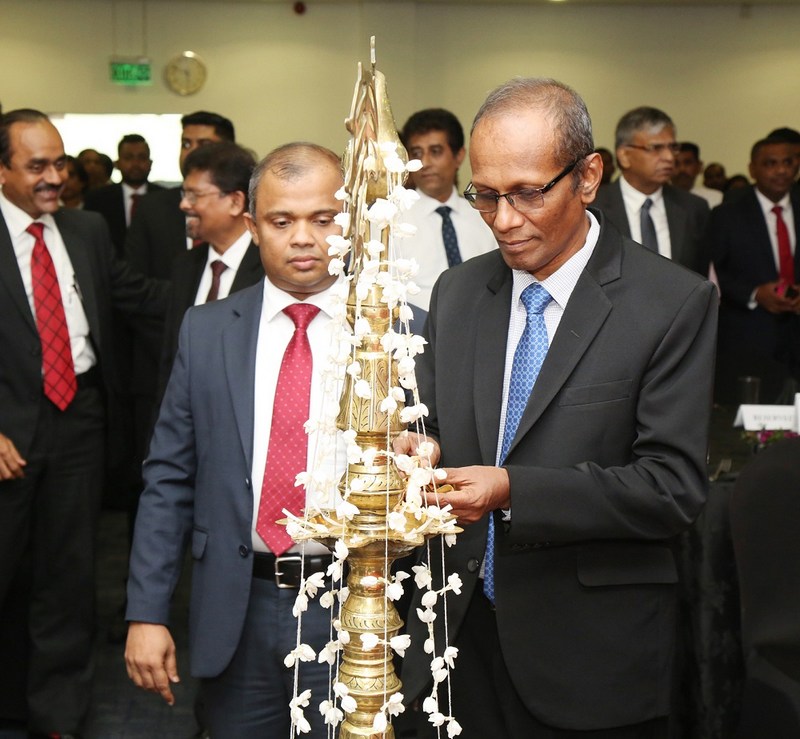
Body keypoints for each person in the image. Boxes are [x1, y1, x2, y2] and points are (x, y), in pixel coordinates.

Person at [396, 78, 717, 738]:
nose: (505, 219)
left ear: (589, 175)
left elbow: (671, 487)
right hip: (460, 641)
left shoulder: (668, 303)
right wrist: (415, 445)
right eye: (485, 195)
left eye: (528, 193)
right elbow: (432, 423)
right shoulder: (459, 293)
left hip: (589, 655)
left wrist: (513, 488)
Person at [125, 142, 346, 738]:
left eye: (323, 219)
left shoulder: (402, 331)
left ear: (350, 220)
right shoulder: (208, 330)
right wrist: (146, 612)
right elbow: (168, 476)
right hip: (237, 602)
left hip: (355, 607)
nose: (304, 237)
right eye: (281, 221)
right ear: (252, 225)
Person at [0, 108, 167, 738]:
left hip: (80, 420)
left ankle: (56, 717)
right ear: (2, 170)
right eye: (36, 165)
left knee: (67, 577)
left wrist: (229, 288)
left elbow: (135, 295)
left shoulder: (87, 229)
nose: (53, 178)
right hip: (8, 431)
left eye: (59, 163)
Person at [158, 141, 264, 410]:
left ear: (235, 201)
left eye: (195, 195)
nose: (184, 204)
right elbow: (170, 363)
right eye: (184, 194)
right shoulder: (185, 266)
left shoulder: (267, 269)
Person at [711, 136, 800, 405]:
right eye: (770, 164)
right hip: (748, 340)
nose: (781, 170)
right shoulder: (727, 214)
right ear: (753, 169)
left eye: (788, 162)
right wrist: (754, 293)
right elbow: (713, 273)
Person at [398, 108, 496, 310]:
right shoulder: (394, 221)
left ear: (459, 156)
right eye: (416, 153)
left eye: (435, 151)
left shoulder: (484, 215)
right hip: (418, 331)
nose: (425, 163)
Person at [594, 106, 711, 276]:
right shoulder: (592, 208)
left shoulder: (694, 208)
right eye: (655, 148)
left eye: (672, 147)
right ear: (624, 156)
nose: (669, 158)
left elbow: (700, 278)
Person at [84, 134, 164, 258]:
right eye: (128, 158)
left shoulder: (164, 198)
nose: (135, 164)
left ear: (150, 163)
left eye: (142, 158)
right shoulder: (97, 199)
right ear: (117, 163)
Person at [672, 142, 722, 208]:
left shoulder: (716, 198)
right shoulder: (660, 198)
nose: (682, 169)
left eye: (687, 163)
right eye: (676, 164)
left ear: (699, 166)